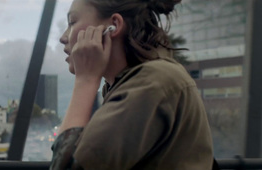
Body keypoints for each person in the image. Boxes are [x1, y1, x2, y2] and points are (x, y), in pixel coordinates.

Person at [50, 0, 214, 169]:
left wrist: (85, 81)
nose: (63, 38)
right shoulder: (135, 82)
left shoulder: (152, 83)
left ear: (113, 25)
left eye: (72, 22)